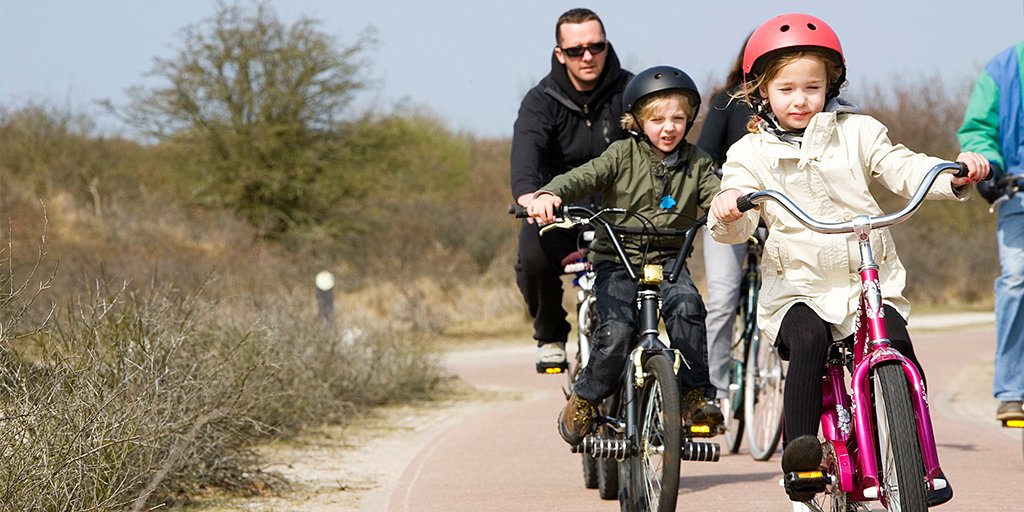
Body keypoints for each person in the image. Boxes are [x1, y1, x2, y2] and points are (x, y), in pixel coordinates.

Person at [707, 13, 989, 506]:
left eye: (813, 87)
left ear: (831, 84)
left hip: (866, 282)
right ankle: (801, 459)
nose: (800, 100)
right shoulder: (751, 151)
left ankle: (919, 458)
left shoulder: (858, 131)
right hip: (796, 284)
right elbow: (735, 212)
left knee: (898, 347)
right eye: (787, 89)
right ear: (761, 93)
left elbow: (901, 166)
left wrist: (952, 175)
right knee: (808, 340)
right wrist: (729, 205)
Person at [527, 66, 725, 445]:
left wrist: (730, 204)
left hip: (669, 259)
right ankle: (585, 399)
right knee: (617, 332)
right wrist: (549, 194)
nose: (669, 127)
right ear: (637, 121)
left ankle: (695, 396)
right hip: (616, 259)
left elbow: (718, 193)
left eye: (678, 118)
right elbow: (583, 177)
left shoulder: (698, 163)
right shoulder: (621, 154)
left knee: (687, 307)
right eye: (657, 119)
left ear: (689, 120)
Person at [510, 8, 633, 373]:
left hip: (621, 211)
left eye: (596, 47)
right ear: (560, 53)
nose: (588, 56)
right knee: (532, 259)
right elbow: (525, 154)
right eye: (577, 50)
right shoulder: (541, 100)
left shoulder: (630, 91)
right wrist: (530, 197)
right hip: (559, 211)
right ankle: (550, 335)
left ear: (606, 46)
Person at [957, 41, 1024, 423]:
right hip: (1020, 192)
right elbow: (979, 128)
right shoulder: (1004, 68)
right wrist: (989, 169)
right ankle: (1013, 389)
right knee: (1016, 279)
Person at [696, 38, 755, 402]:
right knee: (721, 299)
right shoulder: (726, 100)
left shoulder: (800, 105)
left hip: (780, 217)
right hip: (730, 213)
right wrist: (720, 195)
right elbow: (703, 157)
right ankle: (711, 392)